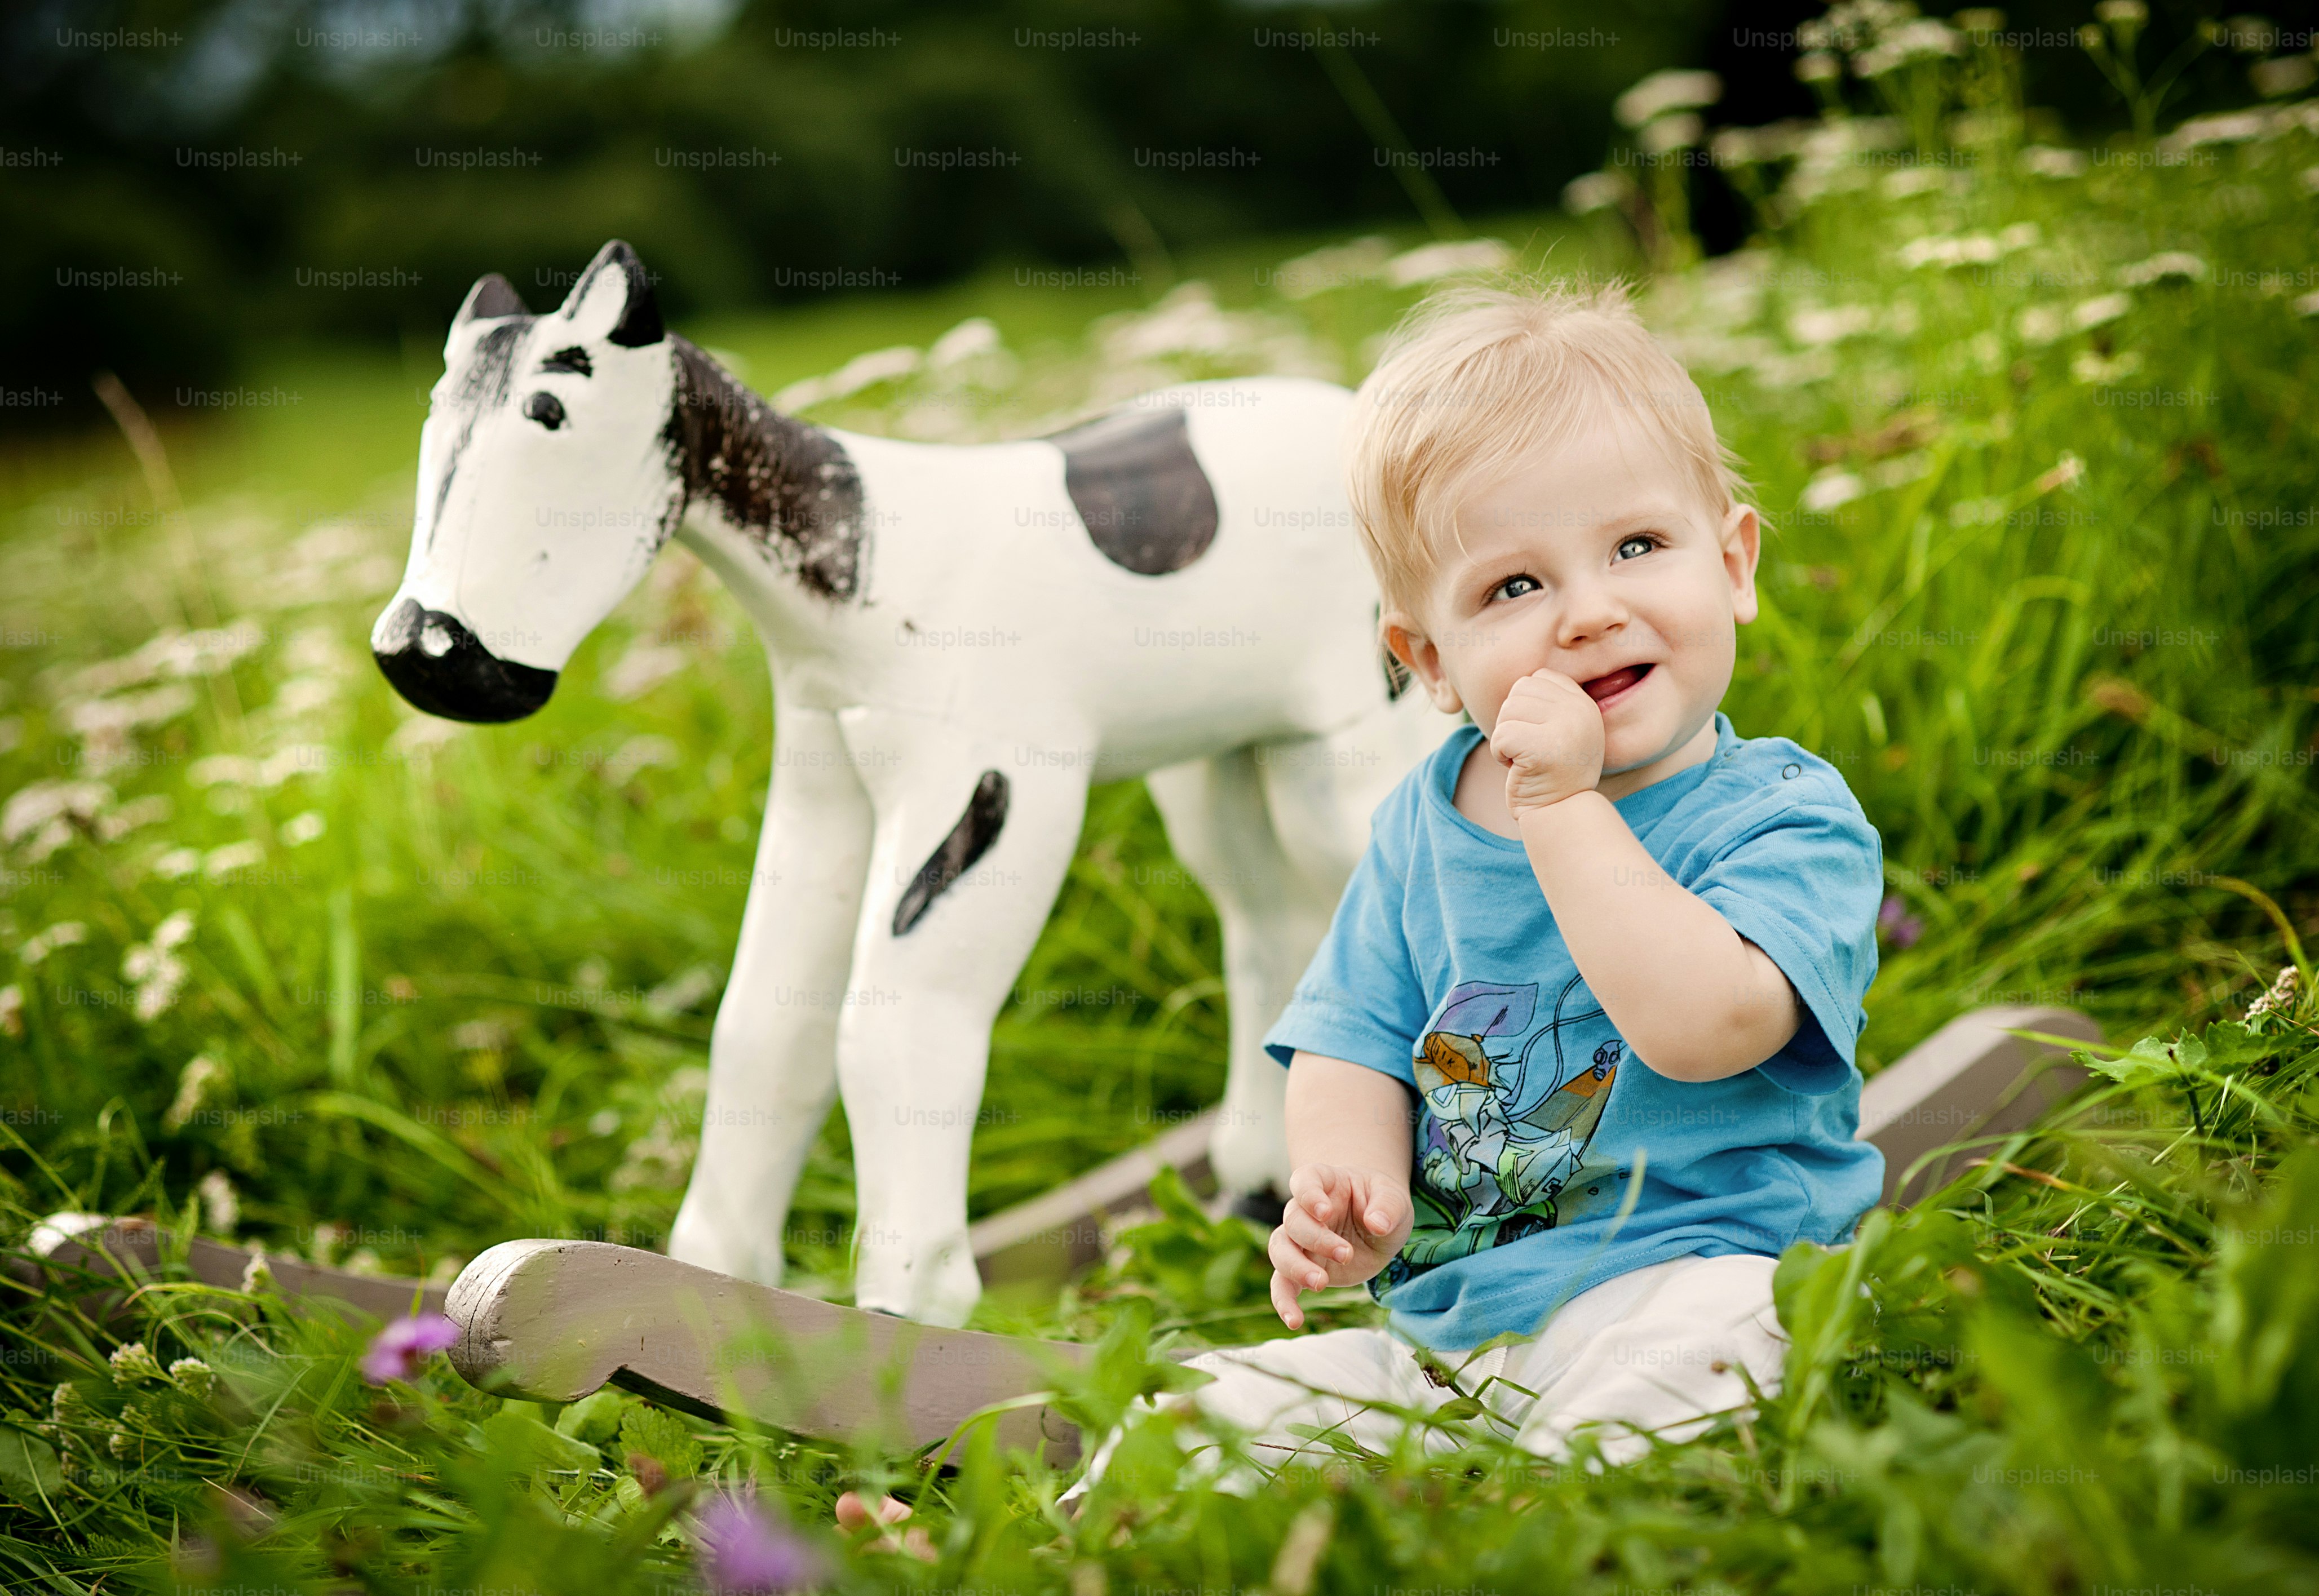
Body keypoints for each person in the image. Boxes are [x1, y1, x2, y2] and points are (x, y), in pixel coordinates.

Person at [1067, 278, 1886, 1498]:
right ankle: (1083, 1543)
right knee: (1208, 1418)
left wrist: (1561, 808)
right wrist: (1354, 1188)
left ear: (1733, 566)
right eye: (1514, 588)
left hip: (1699, 1268)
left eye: (1635, 547)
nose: (1587, 613)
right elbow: (1351, 1039)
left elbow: (1704, 1026)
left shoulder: (1780, 817)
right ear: (1430, 664)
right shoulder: (1419, 827)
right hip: (1451, 1335)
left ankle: (1570, 1516)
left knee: (1714, 1354)